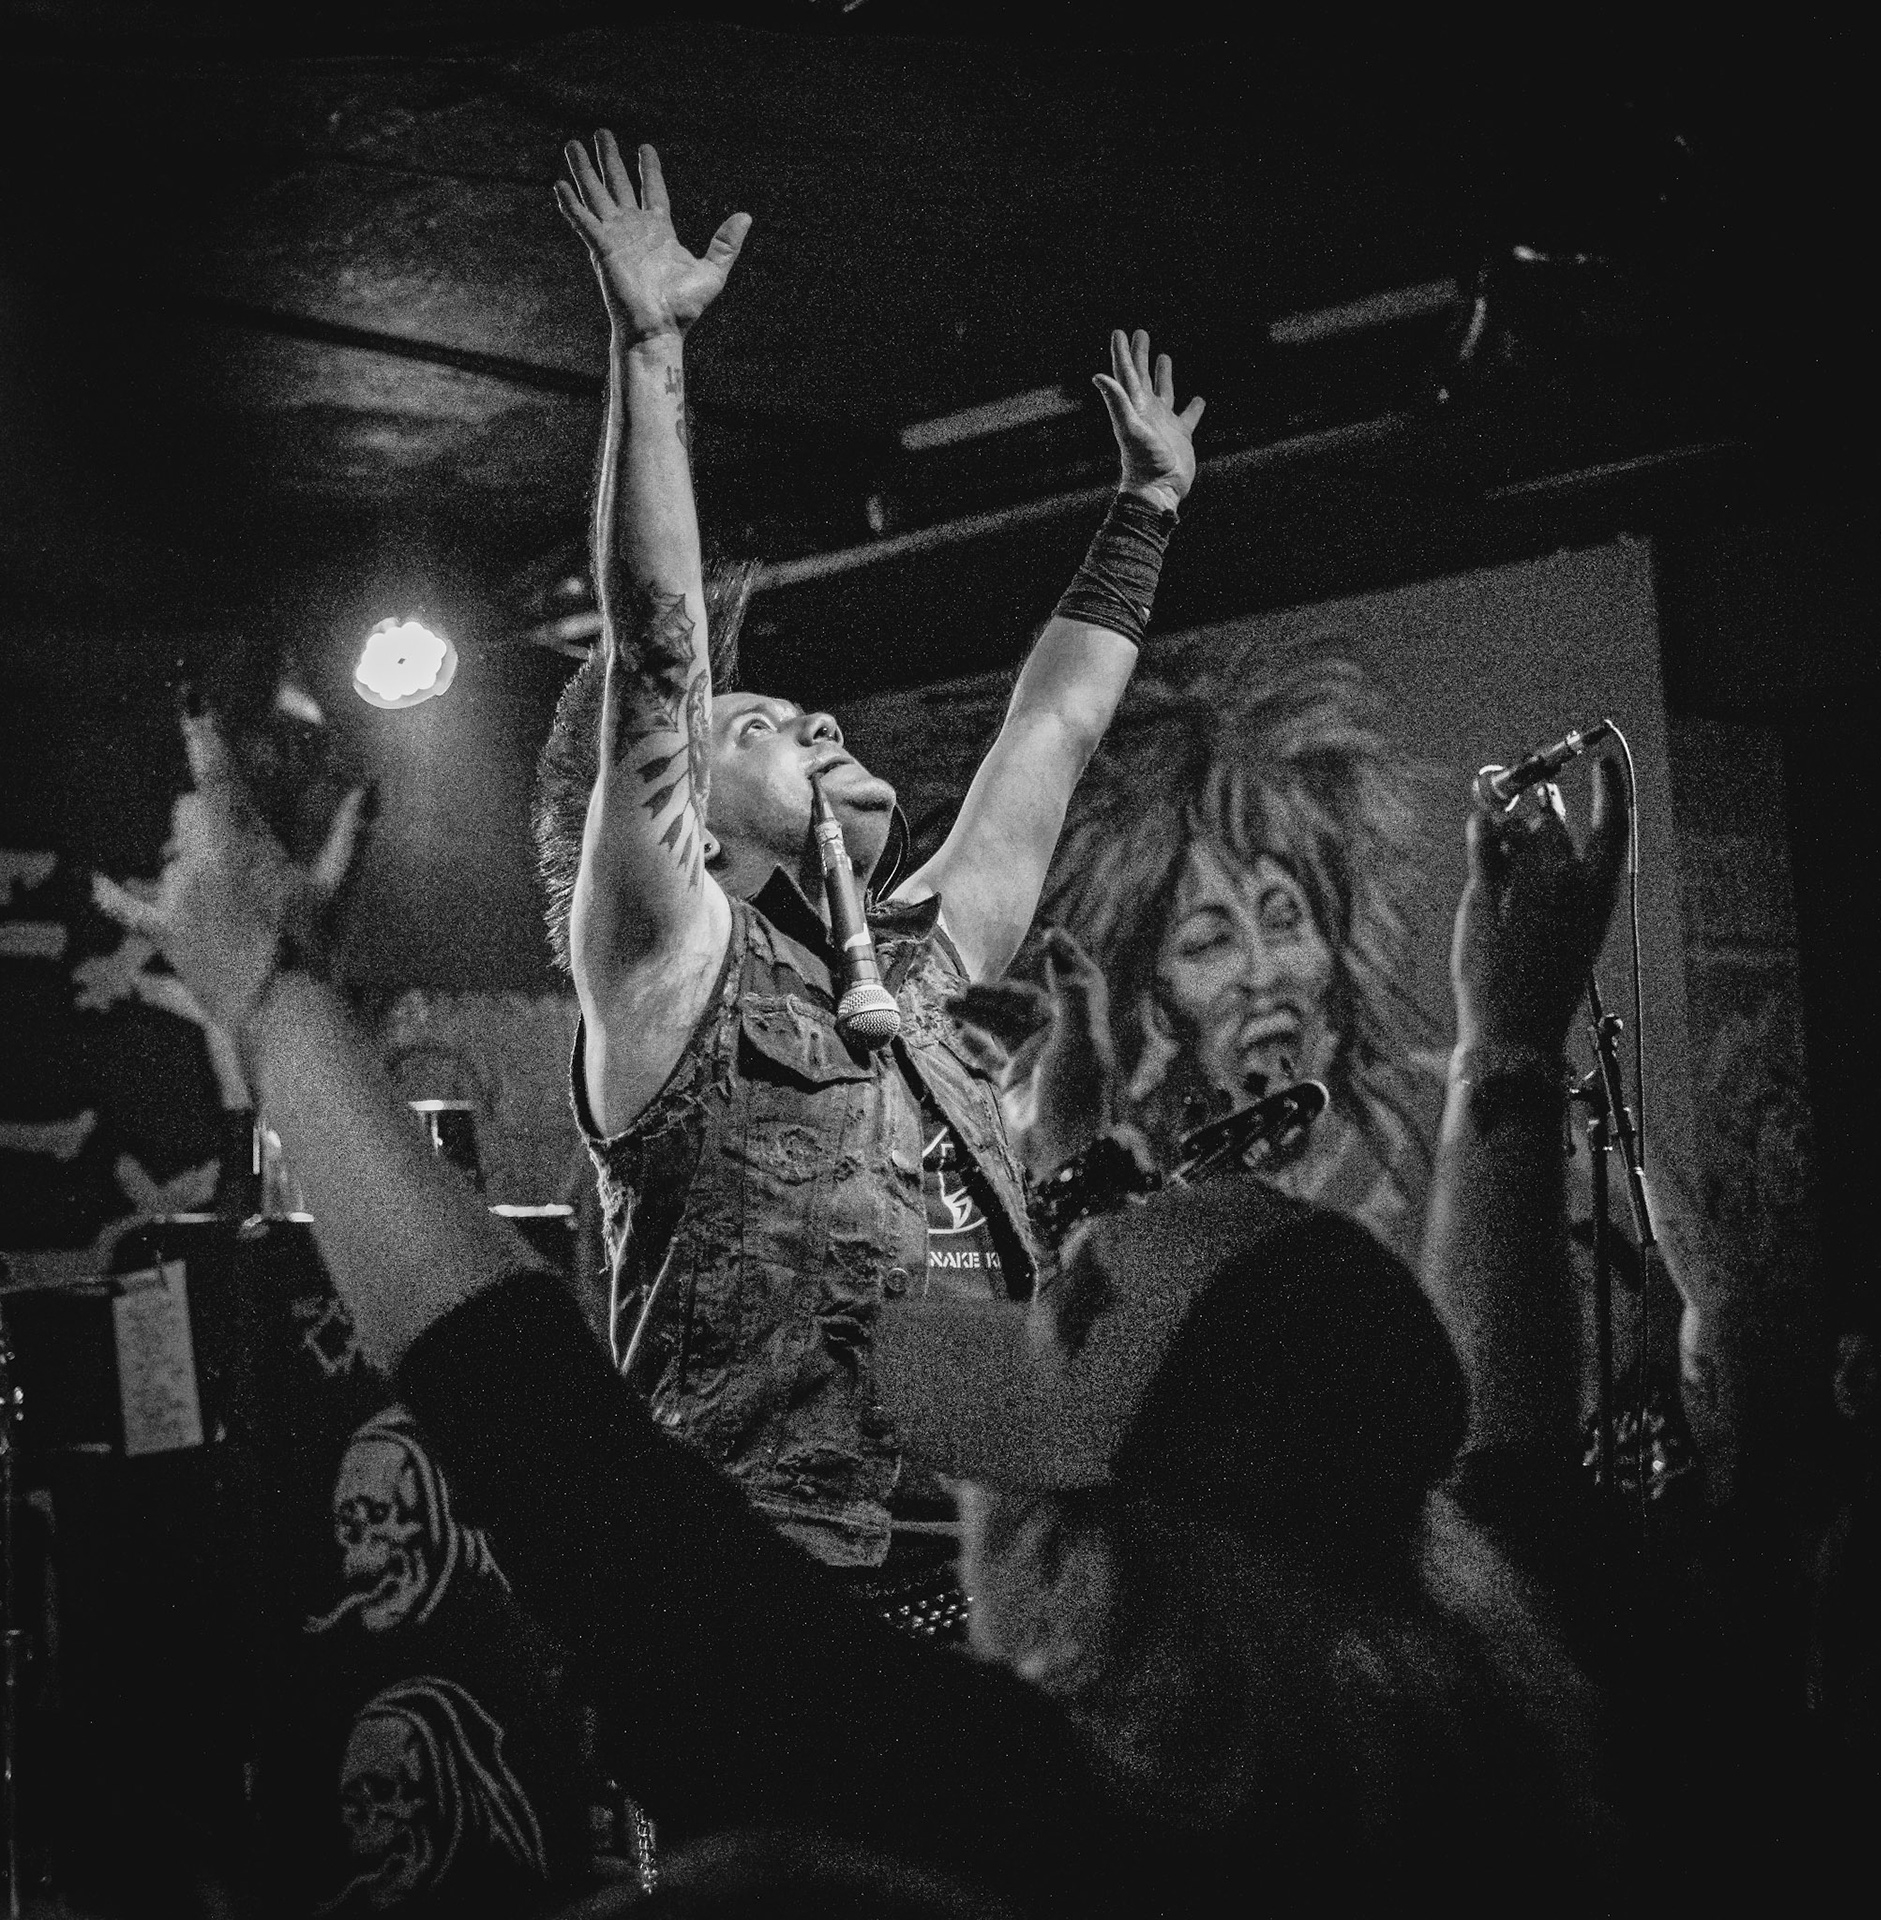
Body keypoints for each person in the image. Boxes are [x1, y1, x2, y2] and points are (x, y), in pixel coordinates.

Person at [100, 706, 1622, 1914]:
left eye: (1053, 1345)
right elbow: (1514, 1452)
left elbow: (554, 1448)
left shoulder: (997, 1816)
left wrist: (265, 992)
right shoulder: (1503, 1707)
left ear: (1093, 1557)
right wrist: (1509, 1028)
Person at [534, 131, 1205, 1574]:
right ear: (689, 816)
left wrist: (1147, 508)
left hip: (984, 1578)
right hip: (769, 1598)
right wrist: (649, 351)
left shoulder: (926, 971)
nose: (818, 718)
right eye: (762, 726)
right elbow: (660, 654)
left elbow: (1054, 731)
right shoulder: (670, 977)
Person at [1024, 652, 1438, 1257]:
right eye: (1208, 942)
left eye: (1284, 919)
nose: (1262, 973)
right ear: (1156, 1000)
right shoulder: (1137, 1201)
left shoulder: (1439, 1125)